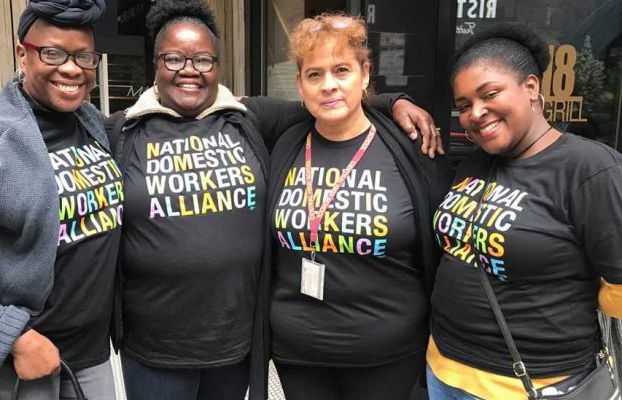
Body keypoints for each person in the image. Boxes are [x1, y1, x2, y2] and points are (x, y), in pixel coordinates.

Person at [105, 2, 443, 400]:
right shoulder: (122, 132)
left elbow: (339, 106)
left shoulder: (248, 118)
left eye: (203, 59)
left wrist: (395, 101)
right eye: (174, 59)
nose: (189, 70)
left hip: (254, 347)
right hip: (172, 348)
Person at [0, 1, 120, 399]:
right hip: (14, 367)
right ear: (21, 53)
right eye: (52, 53)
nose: (71, 68)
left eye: (84, 56)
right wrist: (12, 337)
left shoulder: (93, 124)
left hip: (90, 356)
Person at [427, 22, 622, 399]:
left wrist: (563, 295)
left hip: (531, 384)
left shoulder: (590, 168)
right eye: (464, 105)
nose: (476, 113)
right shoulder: (476, 163)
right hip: (445, 369)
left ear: (531, 88)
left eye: (490, 94)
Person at [265, 13, 452, 400]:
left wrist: (394, 102)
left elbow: (442, 249)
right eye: (314, 75)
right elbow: (211, 100)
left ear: (365, 74)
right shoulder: (283, 138)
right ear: (299, 83)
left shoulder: (412, 149)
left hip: (388, 355)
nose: (329, 85)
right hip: (298, 355)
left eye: (342, 70)